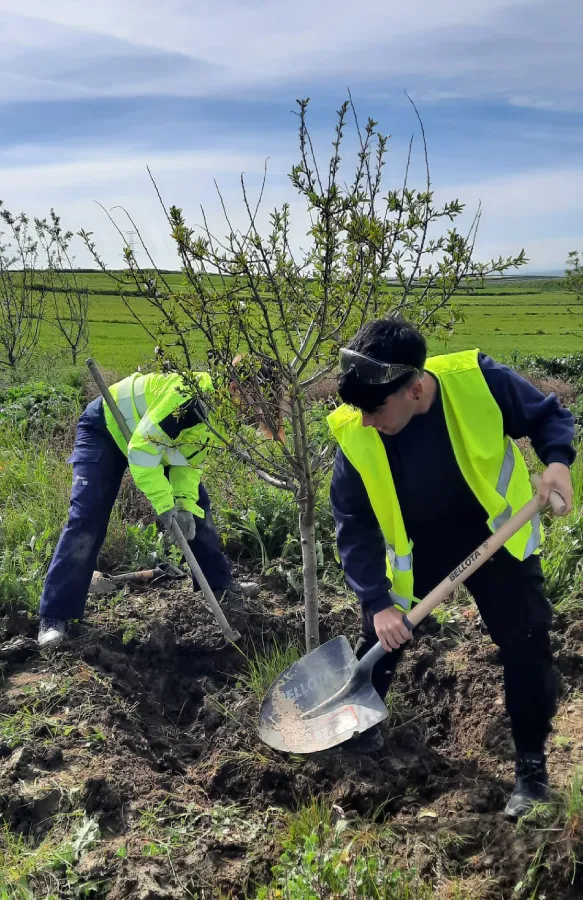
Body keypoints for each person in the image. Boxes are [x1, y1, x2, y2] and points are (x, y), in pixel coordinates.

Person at [327, 318, 575, 818]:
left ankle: (530, 772)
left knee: (527, 642)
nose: (367, 421)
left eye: (376, 409)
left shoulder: (477, 380)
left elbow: (548, 416)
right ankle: (356, 733)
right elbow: (353, 522)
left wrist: (557, 461)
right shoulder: (358, 431)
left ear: (415, 388)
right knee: (381, 639)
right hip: (416, 550)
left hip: (495, 540)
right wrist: (377, 602)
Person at [38, 369, 257, 650]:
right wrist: (166, 507)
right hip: (107, 428)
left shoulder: (223, 417)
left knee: (198, 510)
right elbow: (142, 452)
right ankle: (55, 615)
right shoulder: (189, 400)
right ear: (235, 386)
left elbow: (188, 462)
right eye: (253, 401)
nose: (253, 412)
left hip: (154, 440)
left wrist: (184, 504)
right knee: (87, 518)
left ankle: (218, 585)